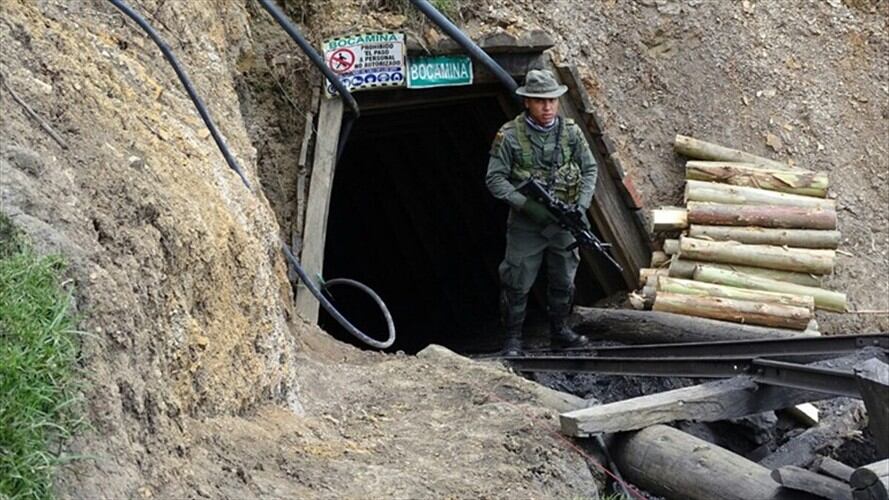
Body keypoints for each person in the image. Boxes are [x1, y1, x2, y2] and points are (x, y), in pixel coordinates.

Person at [486, 69, 599, 355]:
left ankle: (560, 330)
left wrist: (580, 206)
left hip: (565, 222)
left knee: (564, 278)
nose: (547, 107)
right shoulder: (510, 136)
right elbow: (495, 179)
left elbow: (590, 169)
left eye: (552, 100)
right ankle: (513, 338)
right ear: (527, 102)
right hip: (527, 224)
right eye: (540, 101)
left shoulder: (571, 133)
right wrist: (527, 206)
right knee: (517, 279)